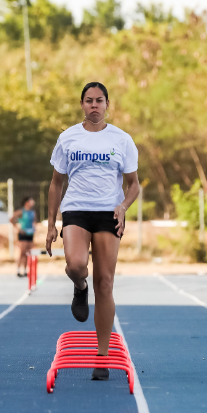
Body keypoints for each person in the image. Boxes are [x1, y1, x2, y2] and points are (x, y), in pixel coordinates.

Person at [45, 82, 140, 381]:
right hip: (76, 209)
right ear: (82, 105)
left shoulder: (122, 140)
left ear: (108, 104)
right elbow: (56, 184)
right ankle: (79, 287)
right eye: (89, 101)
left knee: (106, 283)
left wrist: (124, 206)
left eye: (100, 101)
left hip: (108, 212)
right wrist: (51, 223)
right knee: (75, 265)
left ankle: (102, 356)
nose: (94, 105)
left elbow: (134, 184)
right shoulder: (68, 137)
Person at [10, 197, 36, 277]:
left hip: (30, 234)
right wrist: (18, 228)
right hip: (23, 234)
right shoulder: (21, 211)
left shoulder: (32, 212)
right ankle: (18, 270)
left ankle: (25, 270)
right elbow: (11, 219)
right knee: (22, 252)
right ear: (26, 202)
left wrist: (35, 229)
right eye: (31, 201)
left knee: (28, 253)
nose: (32, 202)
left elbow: (34, 222)